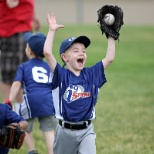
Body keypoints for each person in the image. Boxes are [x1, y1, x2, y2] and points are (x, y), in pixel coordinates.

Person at [43, 13, 116, 154]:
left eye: (83, 51)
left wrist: (111, 35)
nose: (81, 53)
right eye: (75, 51)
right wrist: (52, 30)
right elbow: (47, 53)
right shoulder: (61, 75)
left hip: (86, 130)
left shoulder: (91, 74)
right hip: (64, 132)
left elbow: (109, 58)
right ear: (65, 57)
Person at [7, 32, 57, 154]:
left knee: (24, 127)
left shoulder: (24, 66)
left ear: (29, 51)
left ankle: (32, 150)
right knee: (49, 130)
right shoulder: (48, 66)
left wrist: (9, 100)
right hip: (48, 101)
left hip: (30, 100)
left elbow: (17, 84)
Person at [0, 0, 40, 103]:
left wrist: (32, 15)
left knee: (23, 73)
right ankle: (9, 114)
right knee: (11, 75)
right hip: (12, 27)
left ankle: (19, 112)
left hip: (23, 24)